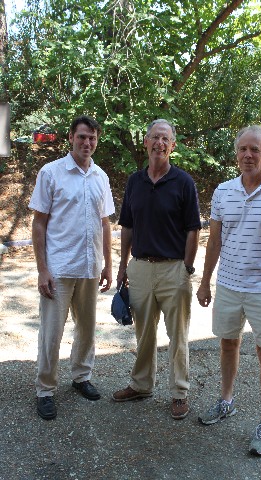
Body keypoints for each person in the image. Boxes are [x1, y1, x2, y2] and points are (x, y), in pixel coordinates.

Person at [196, 125, 261, 455]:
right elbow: (213, 241)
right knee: (228, 344)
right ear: (236, 153)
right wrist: (204, 282)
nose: (248, 155)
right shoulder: (223, 192)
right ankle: (226, 401)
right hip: (228, 285)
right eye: (243, 149)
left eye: (255, 149)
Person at [112, 119, 201, 419]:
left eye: (166, 139)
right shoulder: (135, 182)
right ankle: (141, 385)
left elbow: (193, 230)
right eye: (155, 138)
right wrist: (123, 266)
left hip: (173, 270)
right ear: (146, 142)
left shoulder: (184, 182)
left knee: (177, 336)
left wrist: (187, 268)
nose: (159, 143)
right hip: (140, 269)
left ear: (172, 146)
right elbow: (128, 226)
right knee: (143, 333)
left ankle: (179, 392)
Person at [29, 115, 115, 420]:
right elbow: (38, 224)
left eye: (92, 138)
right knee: (51, 333)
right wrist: (42, 269)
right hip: (60, 268)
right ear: (70, 138)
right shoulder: (51, 173)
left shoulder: (101, 178)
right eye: (82, 137)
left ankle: (81, 377)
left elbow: (105, 224)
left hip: (91, 268)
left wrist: (108, 265)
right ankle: (45, 390)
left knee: (87, 331)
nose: (87, 143)